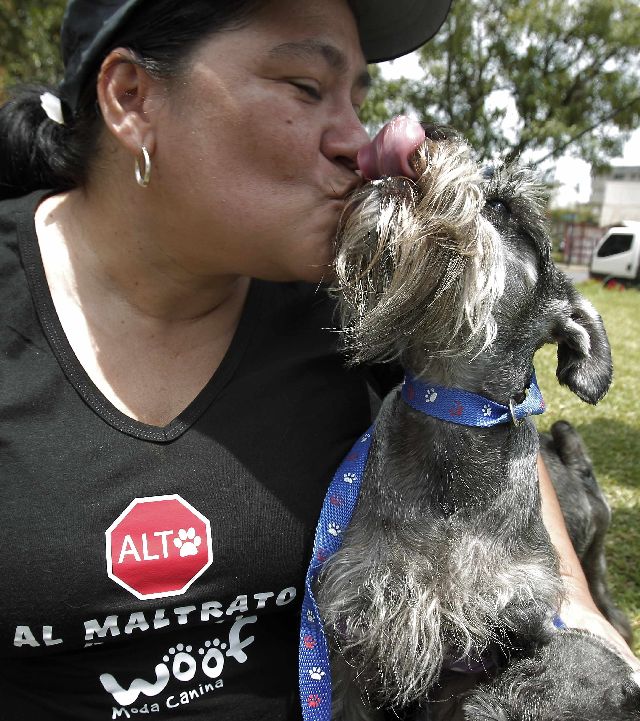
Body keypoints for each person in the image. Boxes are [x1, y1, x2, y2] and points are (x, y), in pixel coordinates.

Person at [0, 0, 636, 719]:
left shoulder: (364, 309)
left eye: (358, 101)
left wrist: (585, 634)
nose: (359, 142)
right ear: (131, 96)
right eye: (306, 87)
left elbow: (492, 416)